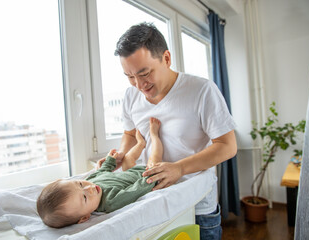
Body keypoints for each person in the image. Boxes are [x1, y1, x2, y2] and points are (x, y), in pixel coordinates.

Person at [97, 22, 237, 240]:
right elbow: (129, 134)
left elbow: (227, 146)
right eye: (130, 76)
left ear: (167, 59)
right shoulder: (130, 96)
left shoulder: (201, 90)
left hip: (195, 203)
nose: (139, 84)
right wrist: (120, 156)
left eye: (144, 73)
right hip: (150, 201)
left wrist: (179, 169)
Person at [37, 117, 163, 228]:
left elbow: (103, 171)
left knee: (127, 159)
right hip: (145, 174)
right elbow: (134, 191)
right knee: (154, 159)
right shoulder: (110, 201)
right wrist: (150, 177)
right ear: (85, 217)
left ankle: (141, 143)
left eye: (80, 184)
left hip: (128, 171)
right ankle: (154, 135)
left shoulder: (90, 181)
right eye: (85, 197)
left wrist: (110, 160)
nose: (89, 188)